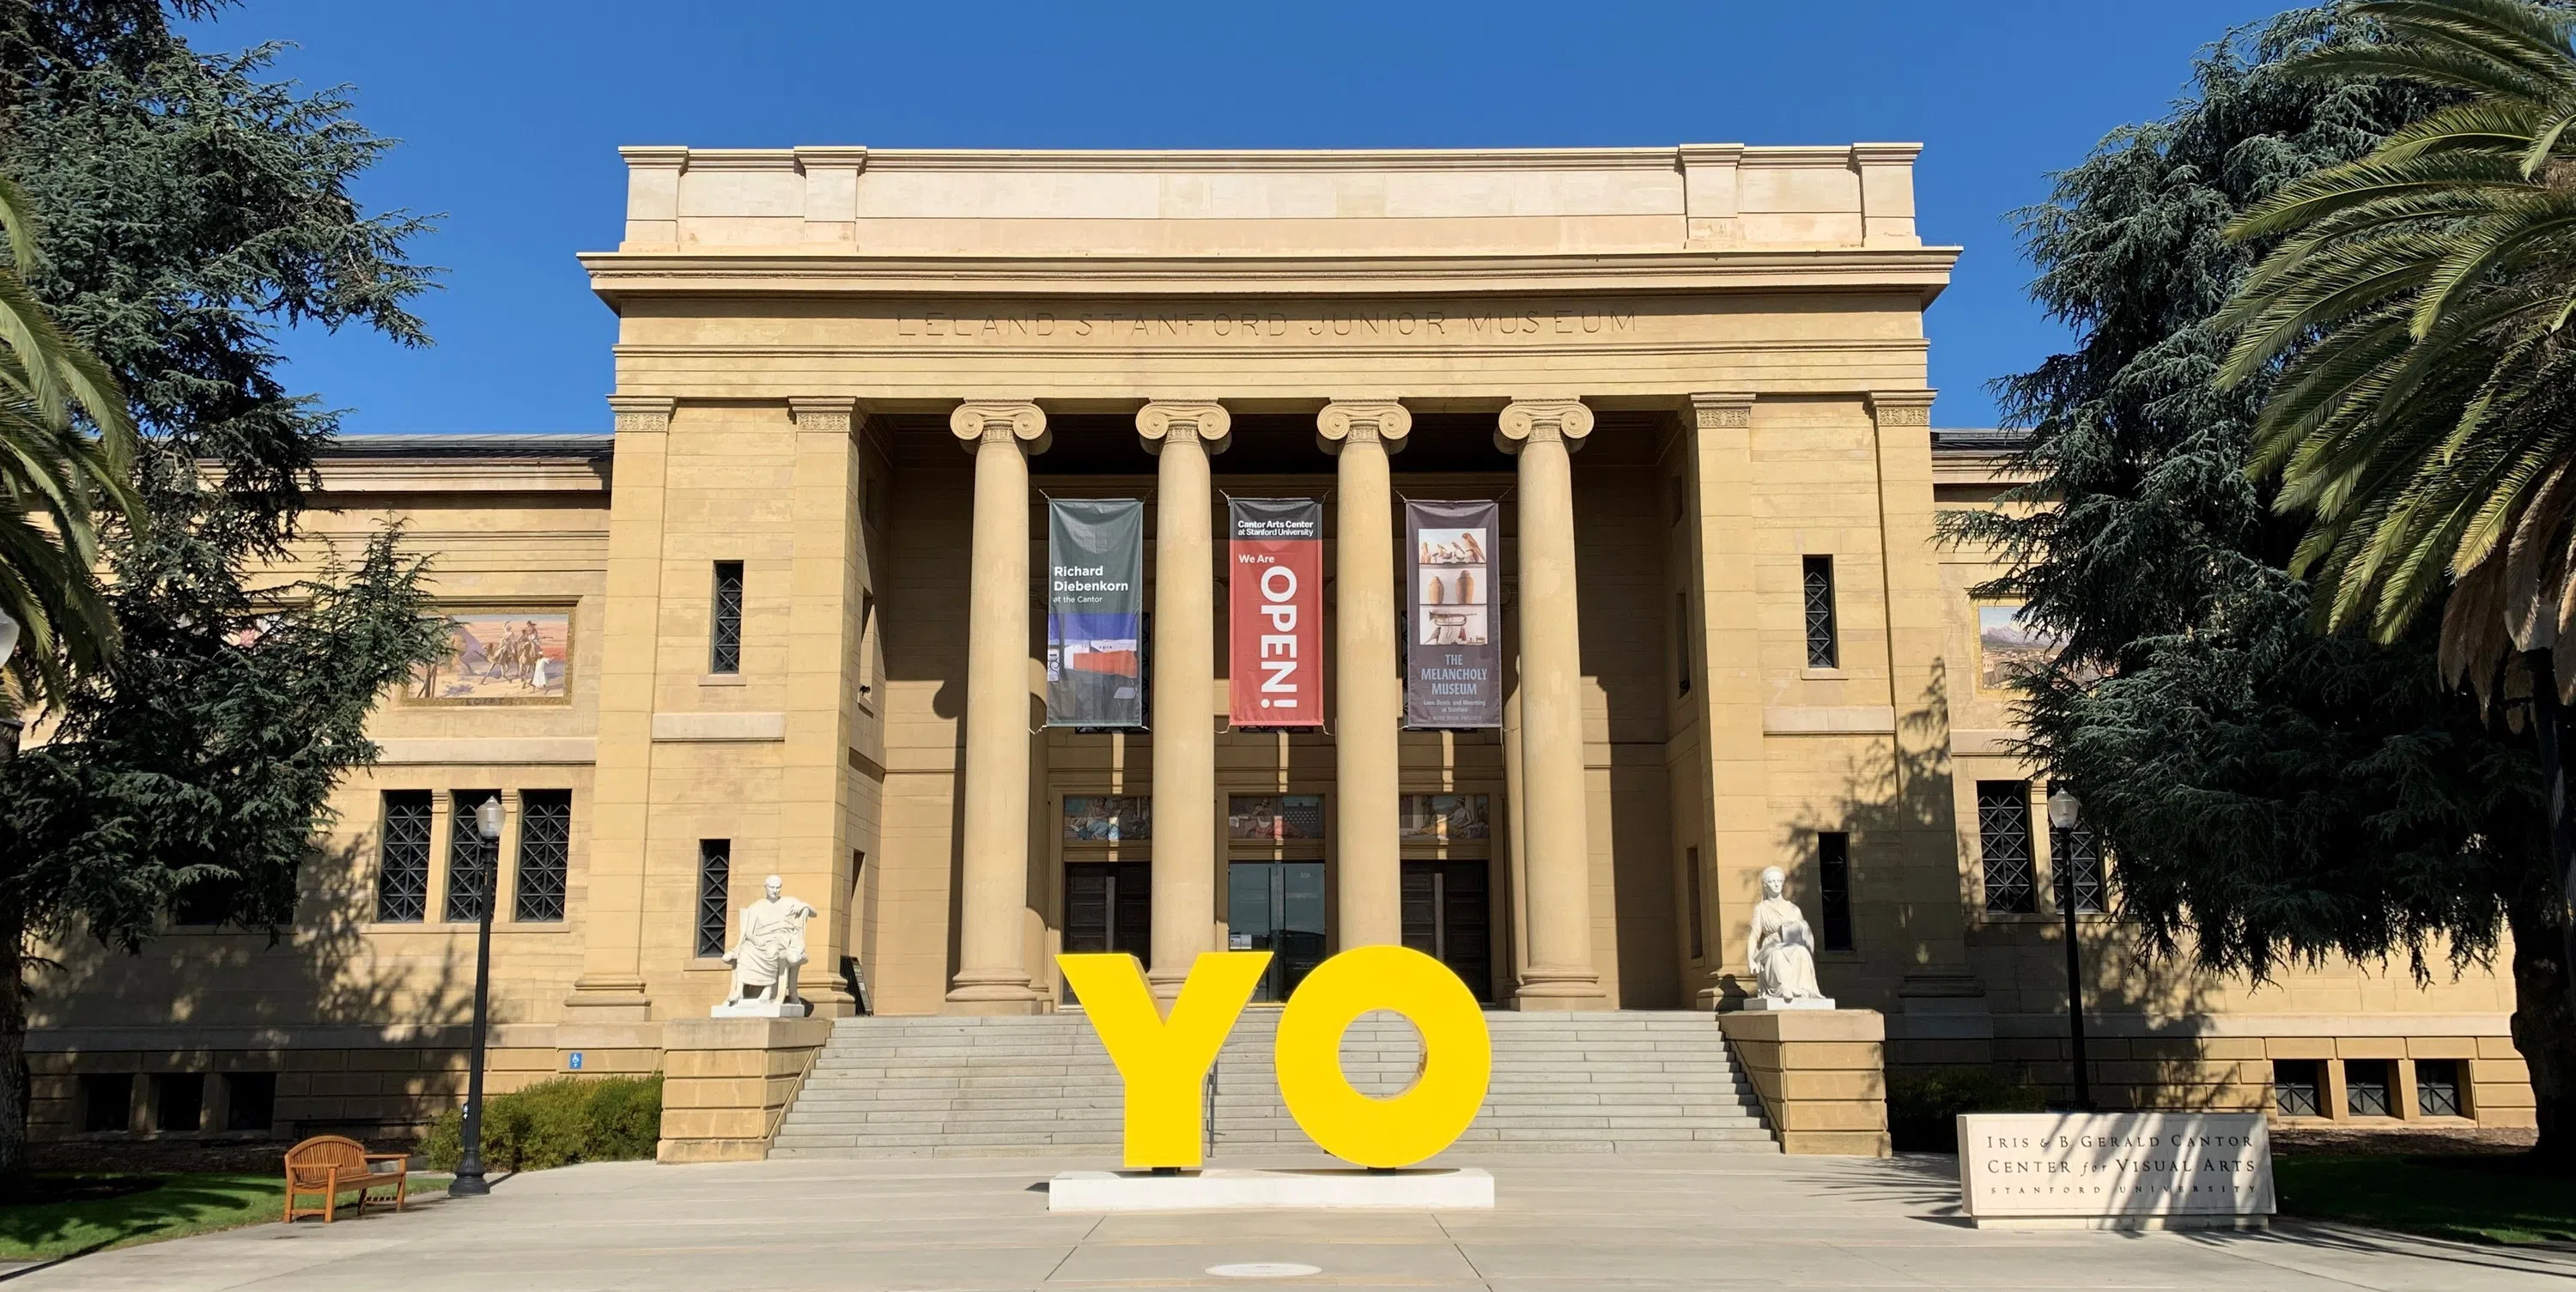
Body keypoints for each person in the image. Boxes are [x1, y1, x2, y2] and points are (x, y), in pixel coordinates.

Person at [723, 875, 818, 1006]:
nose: (775, 890)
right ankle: (739, 991)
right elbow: (749, 932)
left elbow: (814, 913)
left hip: (780, 939)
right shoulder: (756, 907)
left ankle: (768, 990)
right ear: (766, 888)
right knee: (745, 950)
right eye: (772, 887)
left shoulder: (789, 902)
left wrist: (804, 905)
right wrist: (755, 939)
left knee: (772, 950)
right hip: (760, 939)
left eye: (778, 888)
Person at [1747, 864, 1825, 1003]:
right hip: (1771, 946)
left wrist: (1799, 926)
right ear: (1765, 886)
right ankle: (1783, 987)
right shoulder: (1761, 909)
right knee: (1776, 954)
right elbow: (1754, 936)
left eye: (1779, 881)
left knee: (1802, 952)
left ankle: (1803, 989)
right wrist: (1750, 960)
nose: (1776, 884)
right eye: (1772, 881)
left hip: (1791, 945)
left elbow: (1804, 932)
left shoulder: (1793, 909)